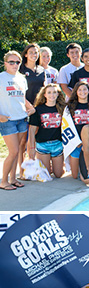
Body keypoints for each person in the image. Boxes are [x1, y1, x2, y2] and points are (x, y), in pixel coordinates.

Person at [0, 51, 35, 190]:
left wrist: (31, 108)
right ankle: (3, 181)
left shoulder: (21, 78)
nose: (14, 65)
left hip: (22, 119)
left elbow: (22, 98)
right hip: (7, 120)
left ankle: (13, 178)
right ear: (5, 63)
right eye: (11, 62)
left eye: (17, 62)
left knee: (19, 151)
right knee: (13, 151)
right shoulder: (1, 78)